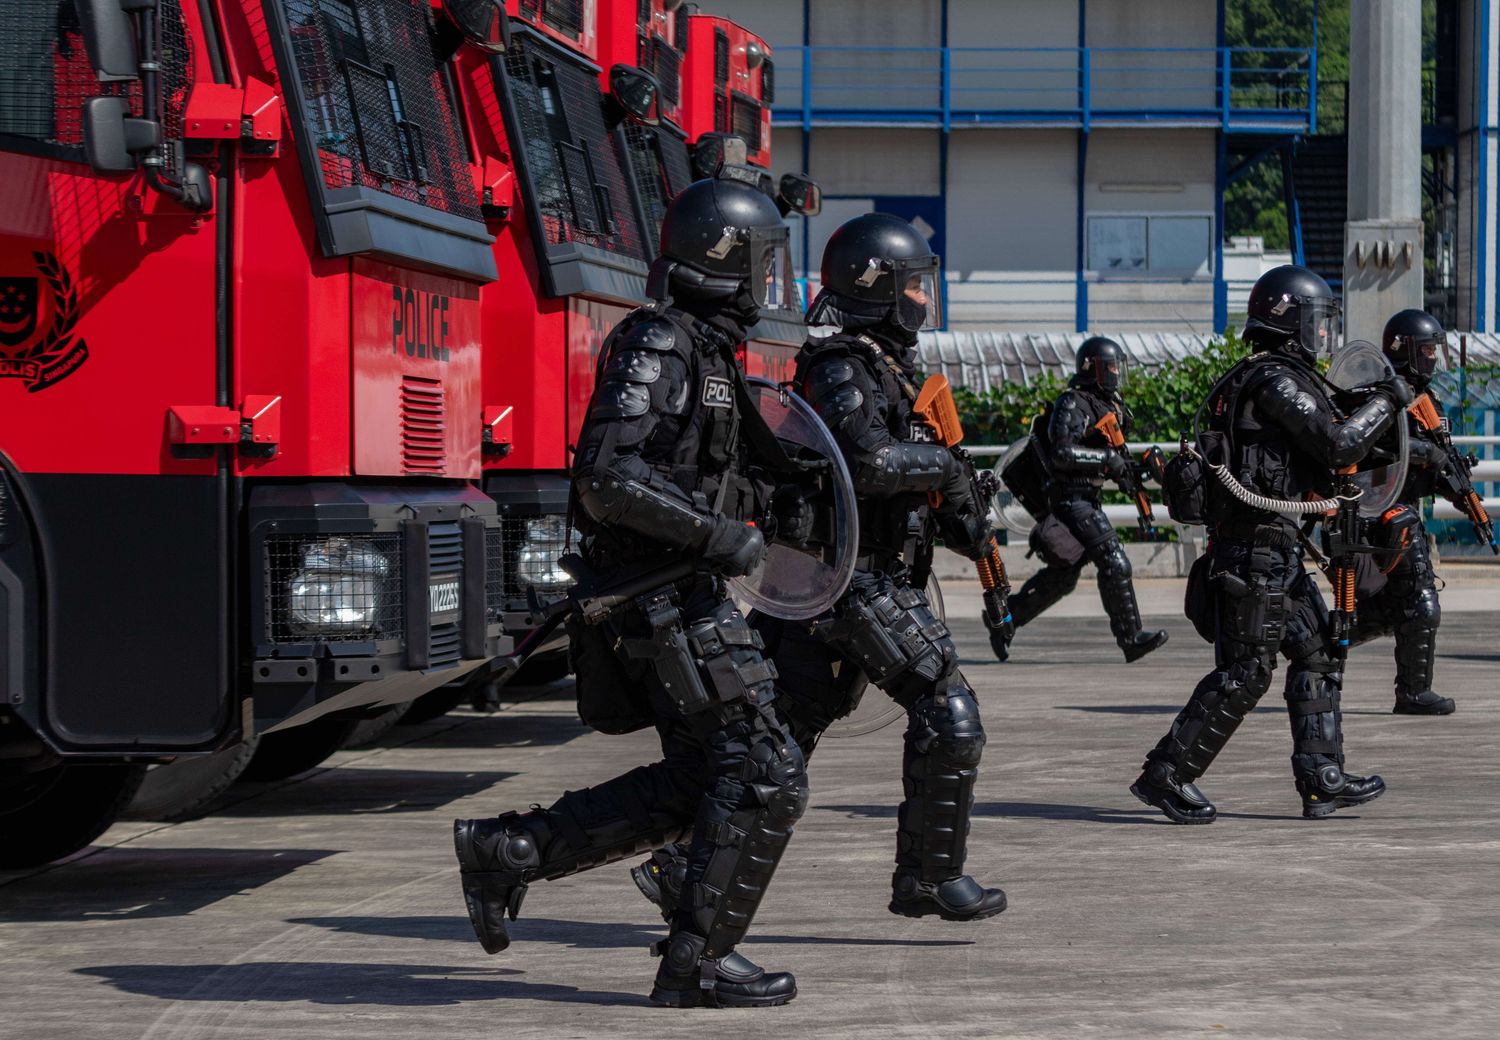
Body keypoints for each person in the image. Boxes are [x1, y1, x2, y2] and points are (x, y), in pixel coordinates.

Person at [452, 178, 811, 1009]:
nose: (769, 281)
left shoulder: (705, 350)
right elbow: (607, 477)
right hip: (660, 598)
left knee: (700, 779)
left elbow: (702, 470)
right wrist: (716, 535)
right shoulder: (660, 342)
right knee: (765, 771)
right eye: (762, 262)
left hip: (682, 592)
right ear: (725, 259)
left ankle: (511, 851)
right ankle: (697, 965)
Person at [631, 213, 1009, 925]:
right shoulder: (841, 365)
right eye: (914, 286)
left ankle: (680, 868)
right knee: (948, 711)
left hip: (845, 582)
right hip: (848, 579)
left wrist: (966, 509)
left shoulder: (888, 368)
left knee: (777, 745)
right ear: (877, 285)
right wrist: (944, 466)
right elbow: (868, 462)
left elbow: (921, 486)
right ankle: (930, 877)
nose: (924, 299)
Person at [1133, 265, 1410, 823]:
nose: (1324, 333)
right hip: (1252, 555)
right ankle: (1167, 773)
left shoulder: (1271, 378)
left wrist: (1371, 406)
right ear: (1289, 321)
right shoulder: (1272, 381)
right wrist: (1389, 399)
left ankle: (1322, 777)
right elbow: (1338, 444)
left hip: (1274, 552)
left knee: (1319, 652)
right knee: (1246, 673)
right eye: (1317, 321)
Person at [988, 337, 1168, 664]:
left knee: (1064, 576)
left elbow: (1116, 461)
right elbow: (1062, 453)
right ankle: (1131, 639)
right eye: (1111, 367)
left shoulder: (1107, 406)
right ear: (1093, 368)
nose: (1116, 373)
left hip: (1087, 499)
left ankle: (1005, 620)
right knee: (1114, 561)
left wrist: (1140, 470)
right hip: (1070, 500)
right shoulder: (1072, 403)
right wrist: (1107, 460)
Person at [1349, 309, 1461, 715]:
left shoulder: (1428, 401)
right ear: (1405, 350)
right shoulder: (1377, 396)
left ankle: (1316, 644)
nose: (1432, 358)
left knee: (1392, 610)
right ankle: (1413, 693)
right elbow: (1367, 446)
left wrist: (1450, 479)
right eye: (1426, 350)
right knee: (1421, 603)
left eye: (1435, 351)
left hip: (1405, 512)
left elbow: (1432, 464)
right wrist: (1423, 452)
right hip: (1376, 517)